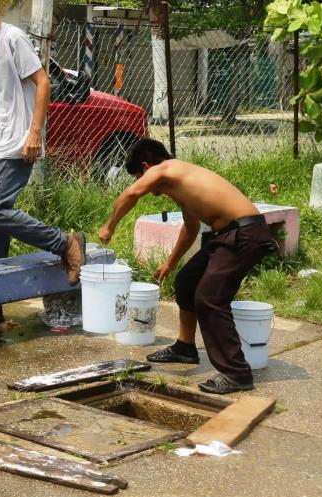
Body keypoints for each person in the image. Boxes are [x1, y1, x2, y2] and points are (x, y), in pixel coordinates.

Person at [98, 139, 277, 394]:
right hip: (229, 235)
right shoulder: (181, 182)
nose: (142, 183)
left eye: (139, 175)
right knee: (186, 281)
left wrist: (109, 226)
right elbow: (191, 229)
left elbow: (131, 194)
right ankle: (185, 347)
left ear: (147, 167)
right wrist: (170, 263)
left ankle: (236, 373)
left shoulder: (165, 169)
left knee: (210, 299)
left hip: (244, 234)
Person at [0, 0, 85, 324]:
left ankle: (65, 242)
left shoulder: (13, 39)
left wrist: (35, 133)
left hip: (19, 141)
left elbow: (43, 83)